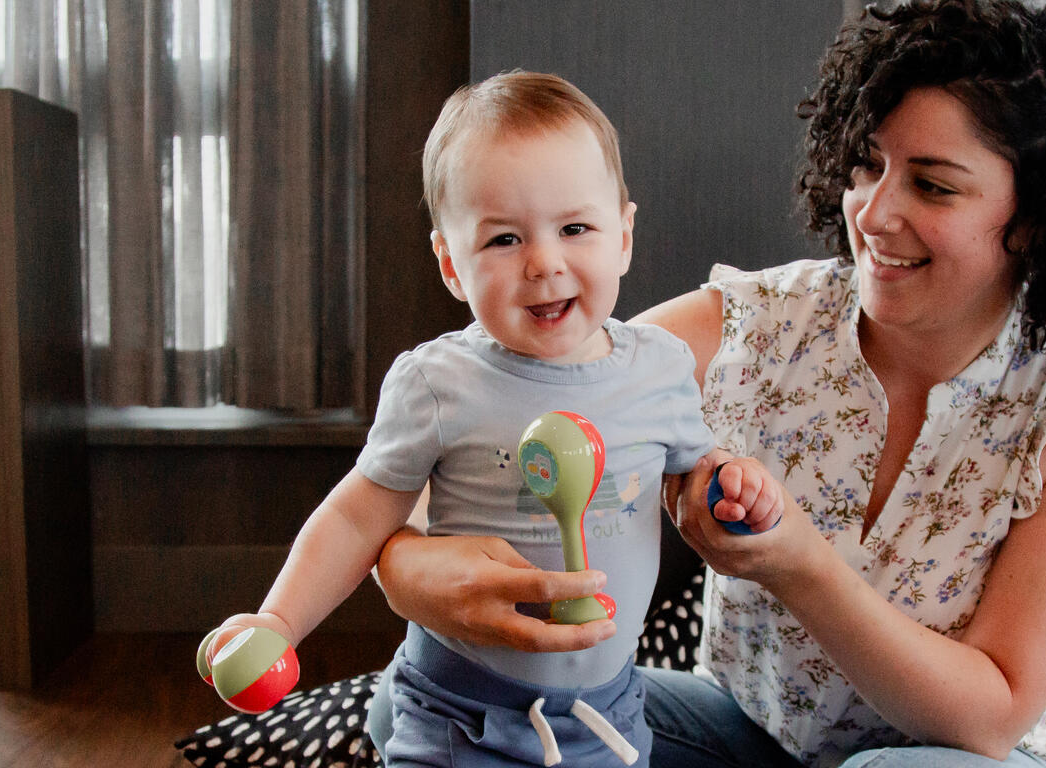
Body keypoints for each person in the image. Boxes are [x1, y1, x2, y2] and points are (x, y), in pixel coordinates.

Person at [369, 2, 1046, 767]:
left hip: (972, 757)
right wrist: (407, 571)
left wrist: (796, 563)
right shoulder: (759, 322)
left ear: (1036, 214)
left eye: (932, 185)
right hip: (750, 740)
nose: (872, 213)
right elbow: (480, 426)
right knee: (434, 710)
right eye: (868, 165)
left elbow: (991, 717)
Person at [210, 70, 784, 768]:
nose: (544, 263)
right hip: (461, 711)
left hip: (608, 711)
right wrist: (278, 619)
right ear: (451, 264)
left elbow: (697, 471)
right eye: (504, 239)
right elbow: (358, 518)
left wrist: (735, 483)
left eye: (575, 228)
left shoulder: (660, 369)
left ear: (623, 237)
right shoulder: (438, 384)